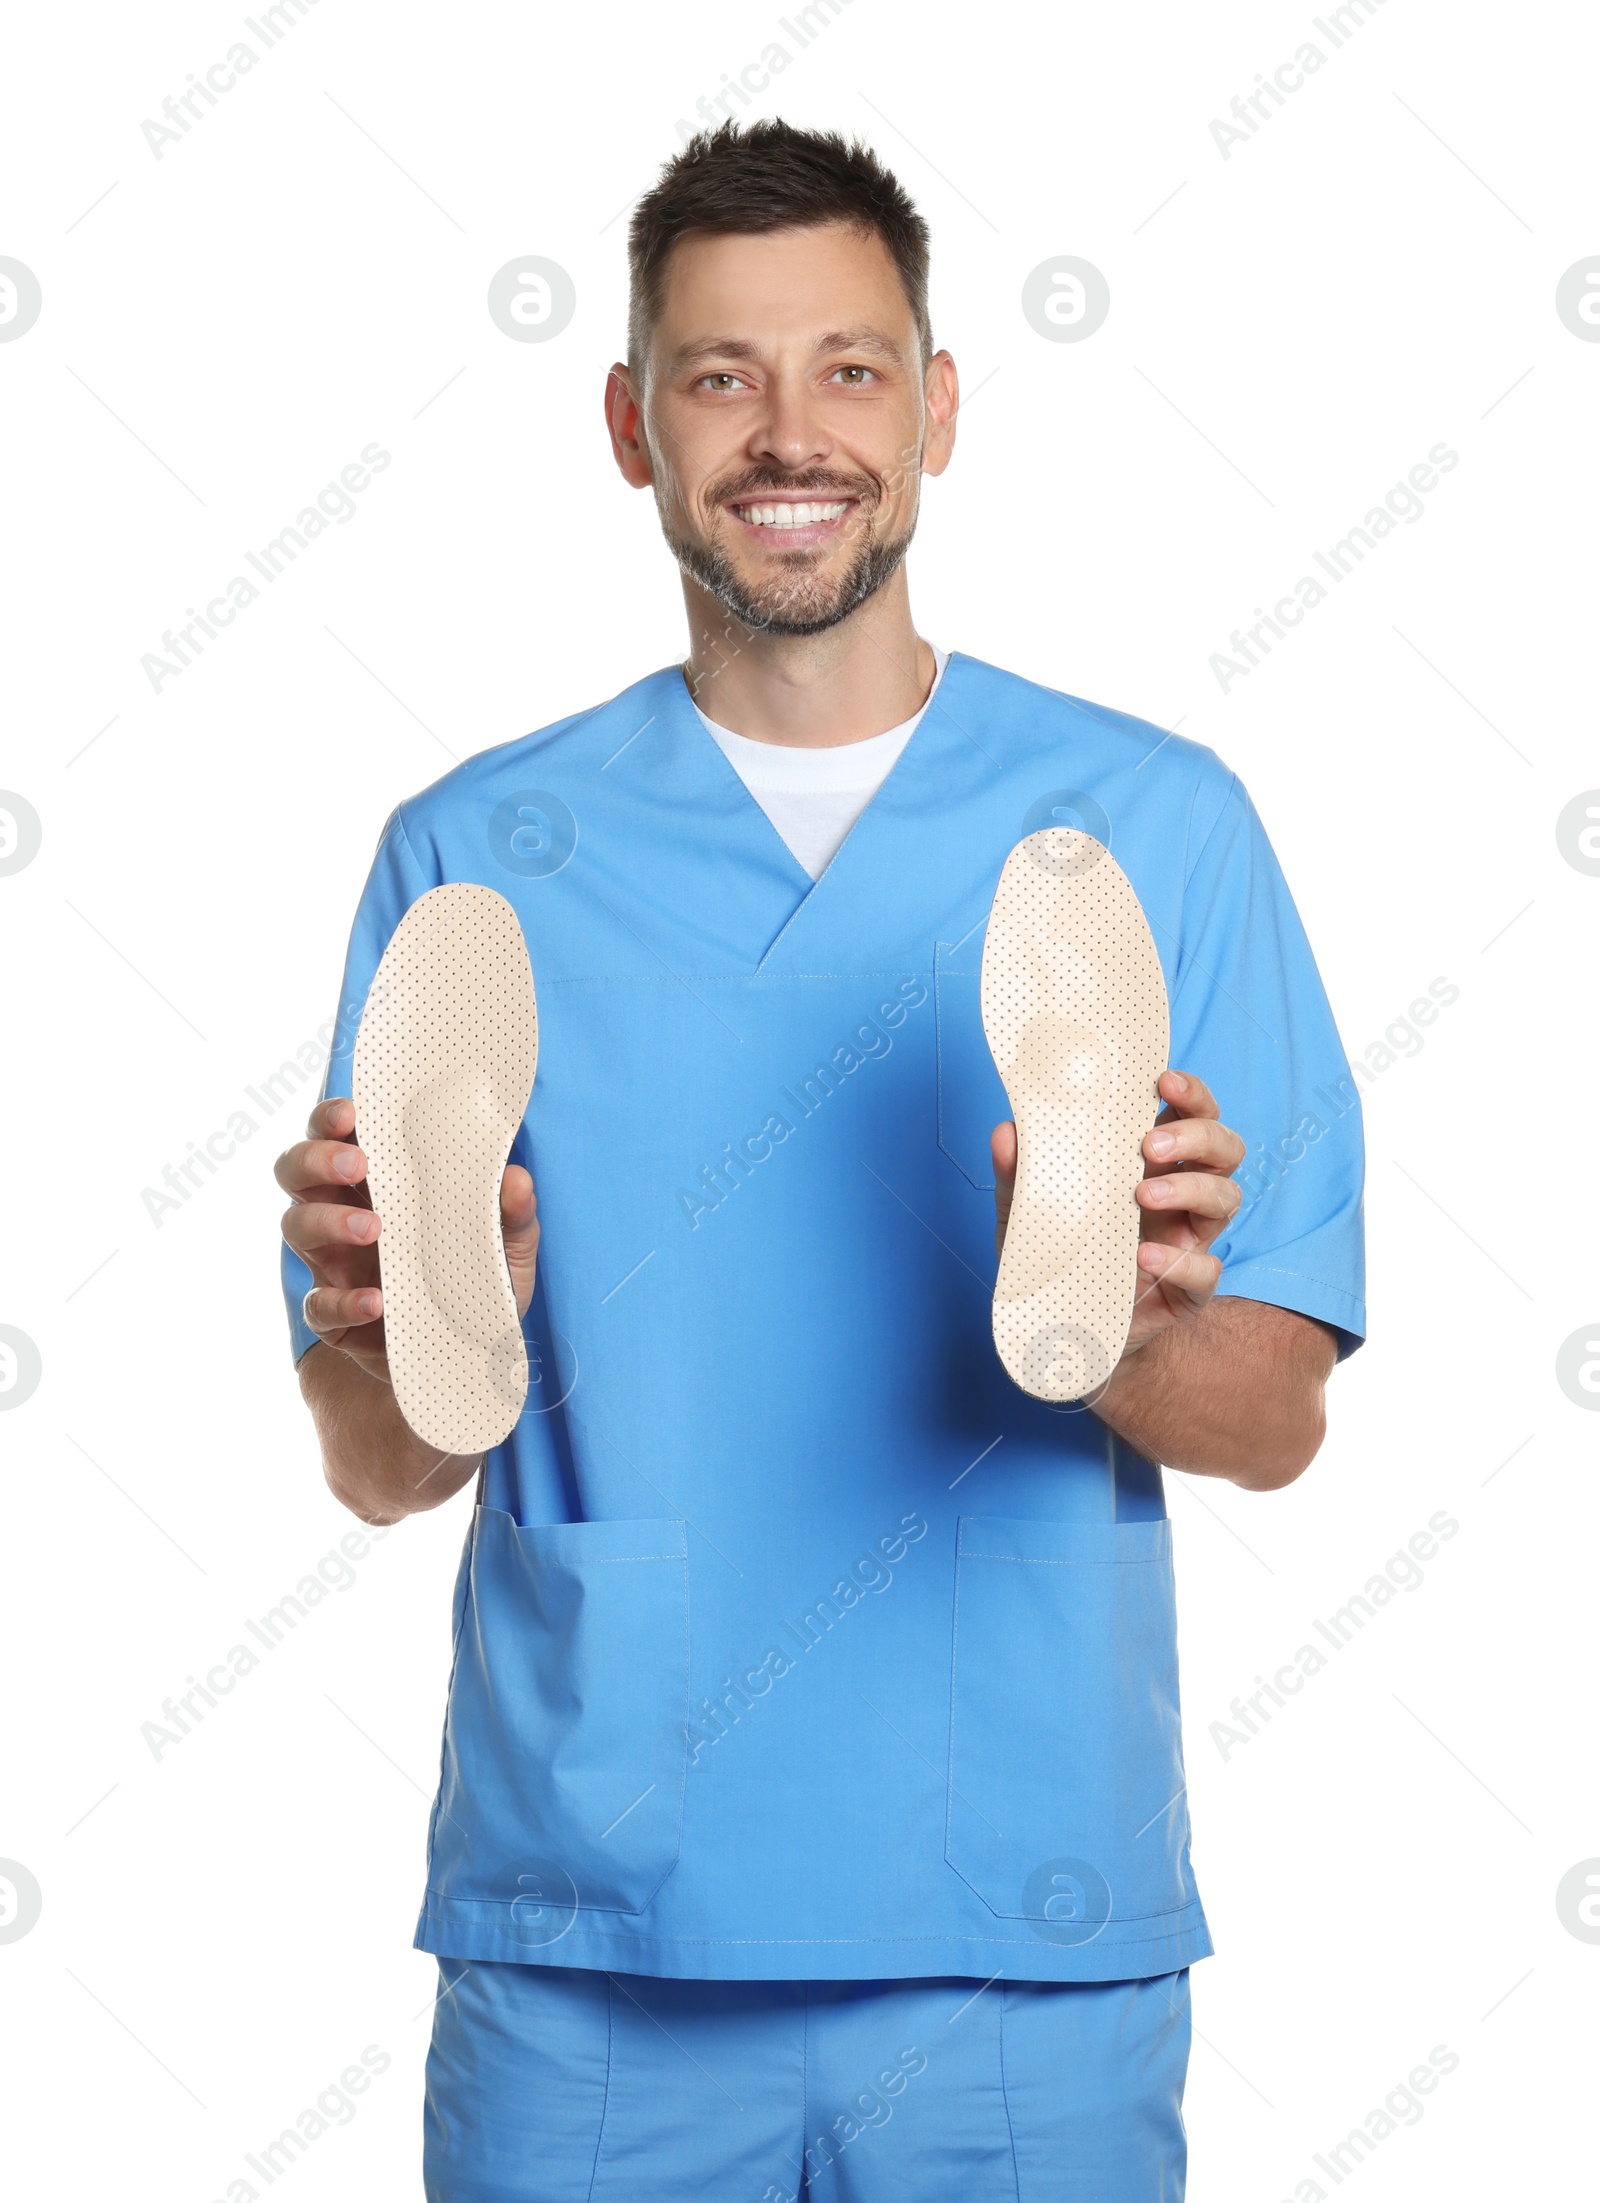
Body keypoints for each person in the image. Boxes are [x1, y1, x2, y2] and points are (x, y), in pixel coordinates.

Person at [276, 118, 1364, 2203]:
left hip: (1018, 1938)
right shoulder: (474, 857)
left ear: (940, 408)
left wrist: (1126, 1324)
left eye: (849, 369)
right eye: (718, 374)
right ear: (630, 424)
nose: (790, 434)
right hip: (594, 1939)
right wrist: (410, 1322)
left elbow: (1274, 1417)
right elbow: (375, 1463)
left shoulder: (1150, 828)